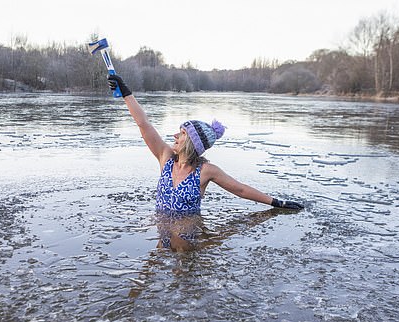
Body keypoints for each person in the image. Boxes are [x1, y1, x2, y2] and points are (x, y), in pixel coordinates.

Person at [107, 74, 303, 219]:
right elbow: (144, 124)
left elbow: (240, 190)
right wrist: (126, 93)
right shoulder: (165, 157)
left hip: (190, 236)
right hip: (162, 232)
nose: (175, 136)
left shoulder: (205, 171)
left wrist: (277, 203)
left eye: (182, 133)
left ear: (193, 142)